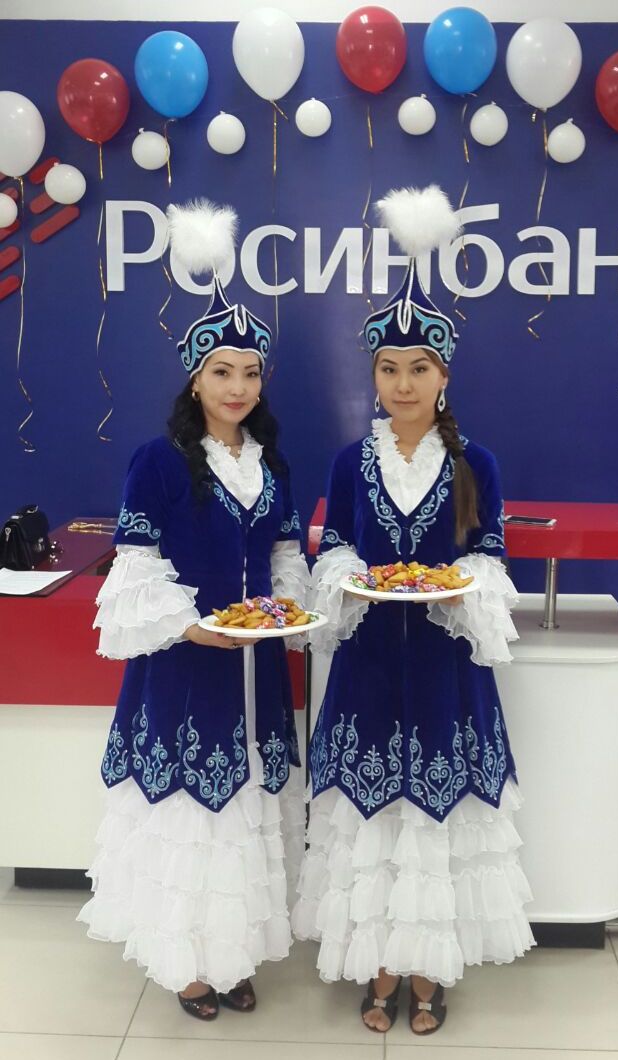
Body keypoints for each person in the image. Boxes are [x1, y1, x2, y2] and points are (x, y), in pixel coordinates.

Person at [292, 185, 534, 1035]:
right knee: (375, 816)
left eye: (419, 368)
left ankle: (428, 970)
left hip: (443, 667)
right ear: (374, 376)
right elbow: (334, 548)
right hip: (366, 666)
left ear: (444, 376)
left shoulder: (479, 464)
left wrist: (455, 584)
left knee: (435, 817)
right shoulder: (347, 462)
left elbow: (489, 554)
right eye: (389, 369)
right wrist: (355, 575)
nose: (403, 383)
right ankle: (379, 965)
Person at [78, 200, 308, 1021]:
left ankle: (233, 952)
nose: (237, 387)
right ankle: (189, 966)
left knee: (246, 810)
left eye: (249, 373)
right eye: (221, 372)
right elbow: (135, 566)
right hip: (185, 669)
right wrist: (191, 627)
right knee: (193, 815)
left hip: (256, 670)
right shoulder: (159, 461)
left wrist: (286, 607)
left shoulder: (272, 464)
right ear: (194, 379)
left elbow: (285, 555)